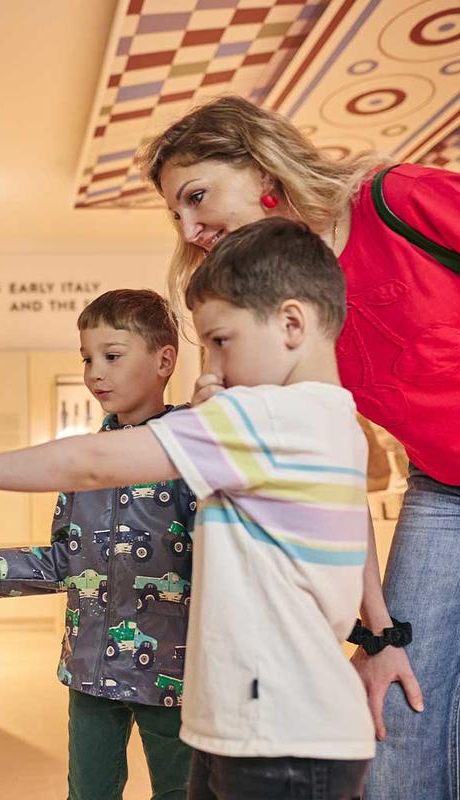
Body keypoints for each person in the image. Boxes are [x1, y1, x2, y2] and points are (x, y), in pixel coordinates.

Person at [0, 218, 376, 800]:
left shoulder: (254, 424)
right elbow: (73, 553)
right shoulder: (321, 421)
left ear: (292, 324)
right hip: (198, 701)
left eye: (221, 343)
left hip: (242, 713)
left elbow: (90, 463)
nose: (213, 366)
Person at [139, 95, 460, 800]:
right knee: (399, 700)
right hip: (444, 488)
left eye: (197, 196)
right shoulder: (280, 316)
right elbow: (331, 474)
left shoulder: (397, 201)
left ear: (261, 167)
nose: (190, 229)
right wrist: (378, 634)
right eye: (176, 214)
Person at [0, 289, 196, 800]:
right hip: (90, 670)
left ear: (164, 360)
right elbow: (68, 560)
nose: (95, 373)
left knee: (183, 792)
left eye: (112, 356)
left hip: (173, 675)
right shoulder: (82, 466)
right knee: (87, 791)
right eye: (87, 359)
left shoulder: (190, 456)